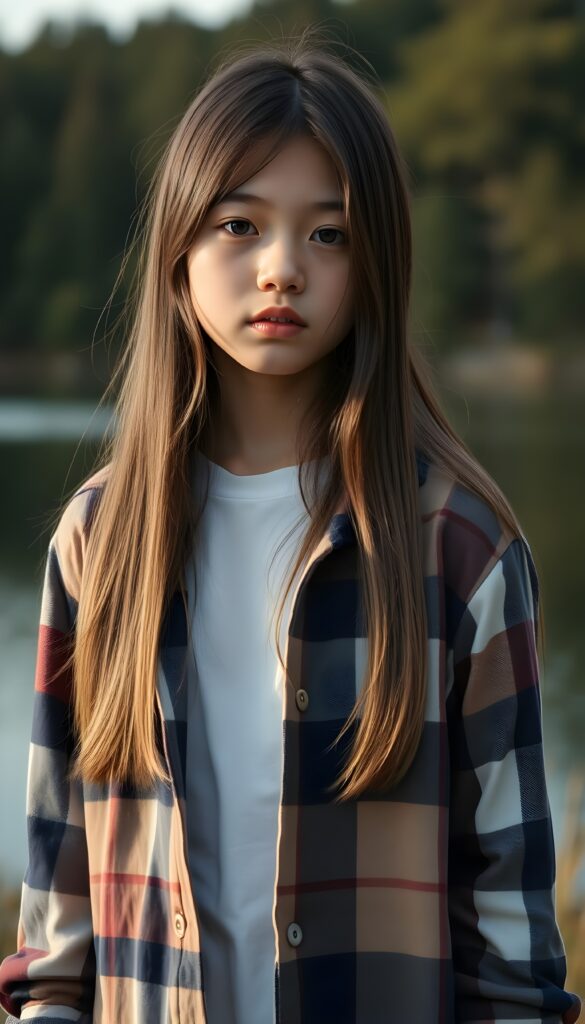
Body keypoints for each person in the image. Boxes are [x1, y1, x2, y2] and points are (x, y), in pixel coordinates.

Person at [0, 28, 581, 1024]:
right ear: (178, 250)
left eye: (329, 233)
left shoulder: (460, 549)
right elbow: (58, 944)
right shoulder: (98, 547)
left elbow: (513, 960)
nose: (282, 269)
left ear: (377, 262)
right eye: (239, 225)